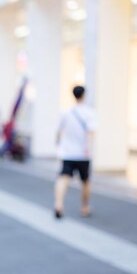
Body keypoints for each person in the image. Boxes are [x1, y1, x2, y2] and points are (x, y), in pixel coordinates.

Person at [54, 85, 96, 219]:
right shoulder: (89, 113)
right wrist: (88, 149)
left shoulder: (65, 112)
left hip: (67, 153)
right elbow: (90, 133)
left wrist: (58, 148)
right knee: (85, 181)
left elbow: (59, 132)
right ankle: (84, 207)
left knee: (63, 178)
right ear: (84, 95)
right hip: (83, 154)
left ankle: (58, 205)